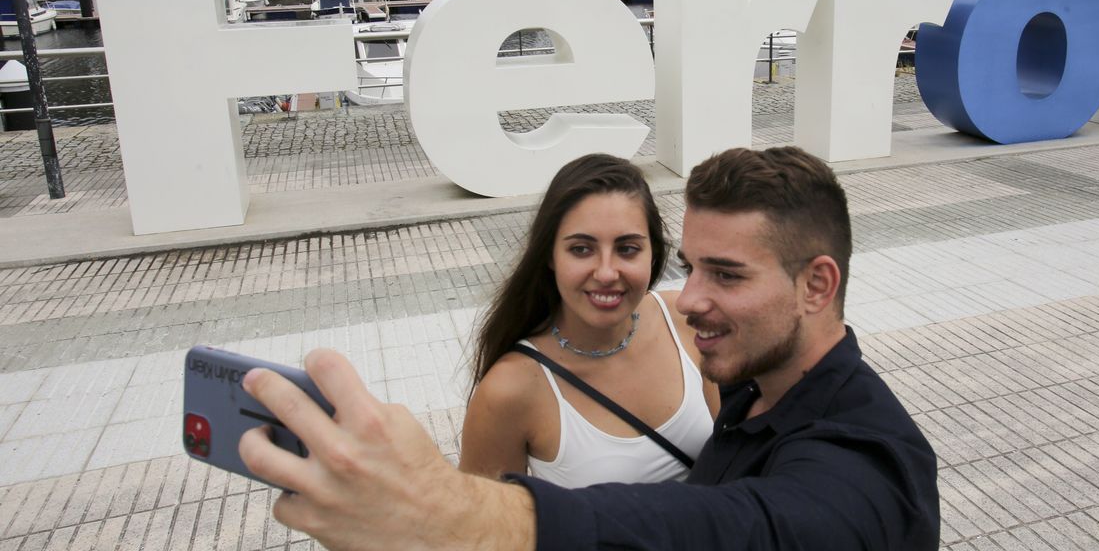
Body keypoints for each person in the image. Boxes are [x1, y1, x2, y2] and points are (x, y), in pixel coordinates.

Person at [240, 146, 940, 550]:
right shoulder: (756, 380)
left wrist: (445, 513)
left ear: (817, 285)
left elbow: (738, 529)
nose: (689, 299)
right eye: (691, 267)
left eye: (726, 274)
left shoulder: (868, 468)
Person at [459, 154, 717, 486]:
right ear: (550, 256)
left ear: (653, 253)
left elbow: (726, 462)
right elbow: (484, 529)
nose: (607, 273)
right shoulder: (509, 390)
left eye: (627, 249)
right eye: (581, 249)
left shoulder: (684, 321)